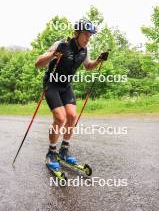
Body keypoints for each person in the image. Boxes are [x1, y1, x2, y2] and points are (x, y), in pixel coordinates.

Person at [35, 19, 109, 170]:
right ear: (77, 33)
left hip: (66, 85)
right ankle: (51, 152)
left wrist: (98, 60)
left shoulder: (85, 50)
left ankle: (64, 150)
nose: (88, 38)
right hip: (52, 83)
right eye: (86, 34)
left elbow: (88, 66)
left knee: (72, 116)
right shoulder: (61, 44)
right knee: (60, 117)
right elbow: (38, 63)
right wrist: (53, 55)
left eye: (90, 35)